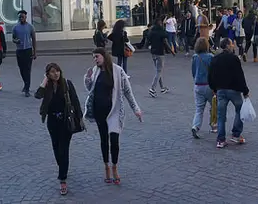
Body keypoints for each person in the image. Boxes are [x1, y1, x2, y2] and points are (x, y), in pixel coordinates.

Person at [84, 48, 142, 185]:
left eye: (97, 57)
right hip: (99, 111)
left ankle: (115, 167)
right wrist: (87, 78)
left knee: (114, 140)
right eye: (93, 57)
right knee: (104, 140)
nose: (95, 59)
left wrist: (136, 109)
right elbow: (90, 89)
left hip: (114, 111)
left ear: (104, 56)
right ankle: (106, 167)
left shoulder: (117, 71)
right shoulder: (96, 71)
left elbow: (128, 91)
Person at [35, 63, 83, 196]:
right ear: (48, 74)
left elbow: (75, 101)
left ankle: (62, 179)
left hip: (65, 121)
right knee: (56, 148)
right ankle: (63, 167)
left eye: (57, 71)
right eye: (52, 72)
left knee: (64, 149)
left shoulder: (67, 84)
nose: (56, 74)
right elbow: (37, 95)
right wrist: (44, 82)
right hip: (52, 122)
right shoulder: (47, 87)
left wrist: (80, 118)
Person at [208, 38, 250, 149]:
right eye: (232, 44)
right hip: (233, 89)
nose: (233, 46)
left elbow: (211, 74)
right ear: (227, 46)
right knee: (240, 110)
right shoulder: (234, 59)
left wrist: (213, 87)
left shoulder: (215, 59)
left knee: (221, 115)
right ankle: (236, 134)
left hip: (221, 90)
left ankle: (221, 140)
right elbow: (240, 75)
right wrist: (245, 90)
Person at [191, 37, 215, 138]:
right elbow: (214, 71)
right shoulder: (210, 57)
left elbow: (193, 71)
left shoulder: (195, 57)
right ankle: (214, 125)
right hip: (208, 85)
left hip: (198, 85)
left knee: (199, 109)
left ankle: (195, 126)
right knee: (213, 106)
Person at [147, 17, 174, 98]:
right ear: (160, 23)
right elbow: (165, 42)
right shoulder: (161, 32)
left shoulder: (151, 31)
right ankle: (152, 88)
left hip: (153, 52)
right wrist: (171, 51)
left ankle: (162, 87)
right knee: (159, 71)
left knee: (158, 70)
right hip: (159, 52)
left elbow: (148, 41)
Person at [12, 10, 36, 97]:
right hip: (19, 51)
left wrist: (35, 52)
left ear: (26, 17)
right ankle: (25, 83)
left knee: (28, 69)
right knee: (21, 69)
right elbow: (13, 38)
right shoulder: (15, 27)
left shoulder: (30, 27)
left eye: (22, 17)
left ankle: (27, 88)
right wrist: (16, 41)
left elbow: (33, 39)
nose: (21, 18)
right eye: (19, 17)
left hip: (28, 50)